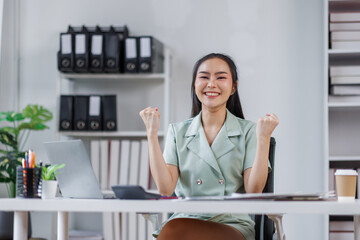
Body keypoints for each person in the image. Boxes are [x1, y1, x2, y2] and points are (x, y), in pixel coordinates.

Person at [139, 53, 279, 240]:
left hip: (232, 224)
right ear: (194, 85)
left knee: (174, 229)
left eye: (221, 77)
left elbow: (253, 190)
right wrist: (151, 133)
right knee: (176, 227)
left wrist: (263, 138)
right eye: (204, 77)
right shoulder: (177, 131)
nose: (211, 84)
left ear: (233, 88)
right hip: (185, 218)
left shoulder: (249, 131)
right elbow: (165, 188)